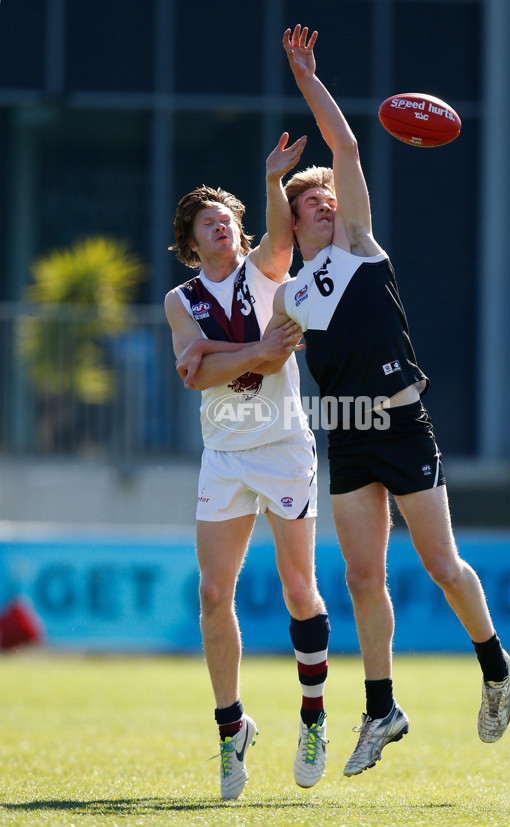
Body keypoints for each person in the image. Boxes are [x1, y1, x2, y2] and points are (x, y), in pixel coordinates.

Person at [268, 25, 510, 777]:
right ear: (297, 218)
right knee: (361, 578)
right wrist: (273, 183)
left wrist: (308, 80)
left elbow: (343, 146)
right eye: (308, 203)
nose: (322, 204)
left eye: (324, 198)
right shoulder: (293, 299)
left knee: (442, 563)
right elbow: (261, 334)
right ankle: (381, 709)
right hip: (349, 432)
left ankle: (495, 665)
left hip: (403, 419)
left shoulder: (360, 246)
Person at [164, 133, 329, 799]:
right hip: (226, 456)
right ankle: (231, 728)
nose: (223, 226)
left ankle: (313, 717)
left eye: (229, 217)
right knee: (212, 593)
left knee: (298, 588)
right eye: (210, 222)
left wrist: (271, 181)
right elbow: (193, 375)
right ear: (191, 243)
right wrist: (256, 351)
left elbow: (213, 363)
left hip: (284, 449)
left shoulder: (264, 272)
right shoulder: (182, 300)